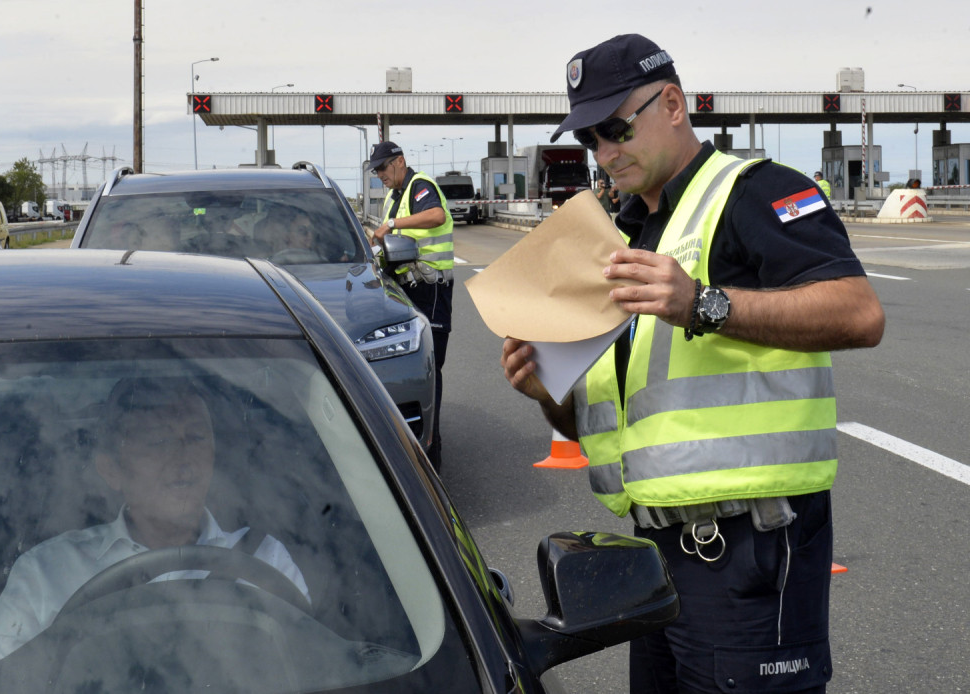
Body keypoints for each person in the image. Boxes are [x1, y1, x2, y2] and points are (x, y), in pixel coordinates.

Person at [500, 34, 884, 693]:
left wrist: (703, 304)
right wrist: (544, 389)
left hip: (749, 550)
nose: (604, 152)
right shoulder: (620, 237)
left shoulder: (752, 193)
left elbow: (859, 312)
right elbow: (610, 413)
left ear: (672, 104)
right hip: (656, 559)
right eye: (591, 139)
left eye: (615, 129)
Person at [0, 378, 309, 662]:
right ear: (111, 470)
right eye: (158, 441)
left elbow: (316, 666)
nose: (183, 458)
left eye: (196, 437)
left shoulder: (266, 559)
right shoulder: (45, 574)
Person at [369, 141, 454, 471]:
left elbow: (436, 216)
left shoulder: (420, 187)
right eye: (375, 171)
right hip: (405, 288)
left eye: (382, 169)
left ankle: (433, 452)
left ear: (400, 161)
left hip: (431, 289)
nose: (379, 176)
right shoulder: (394, 196)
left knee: (431, 367)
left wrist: (391, 225)